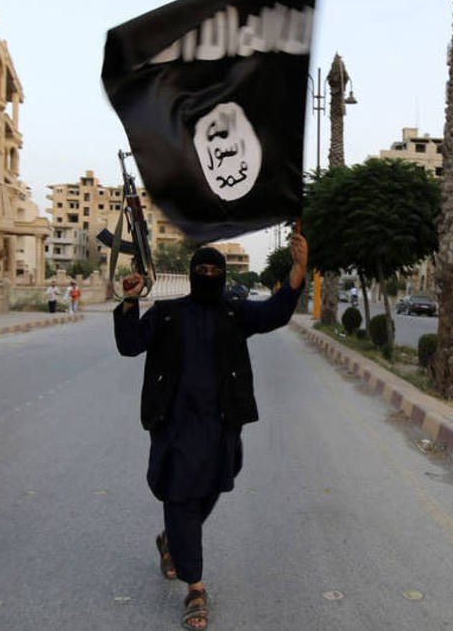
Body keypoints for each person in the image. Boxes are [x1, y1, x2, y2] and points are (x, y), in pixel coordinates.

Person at [114, 232, 308, 631]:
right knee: (182, 497)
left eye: (213, 270)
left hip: (221, 424)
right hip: (175, 426)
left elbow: (273, 312)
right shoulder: (168, 313)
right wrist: (130, 301)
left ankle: (172, 540)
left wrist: (299, 269)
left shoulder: (234, 313)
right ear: (191, 274)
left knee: (216, 483)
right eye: (200, 269)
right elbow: (130, 344)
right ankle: (196, 588)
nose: (207, 275)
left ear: (222, 276)